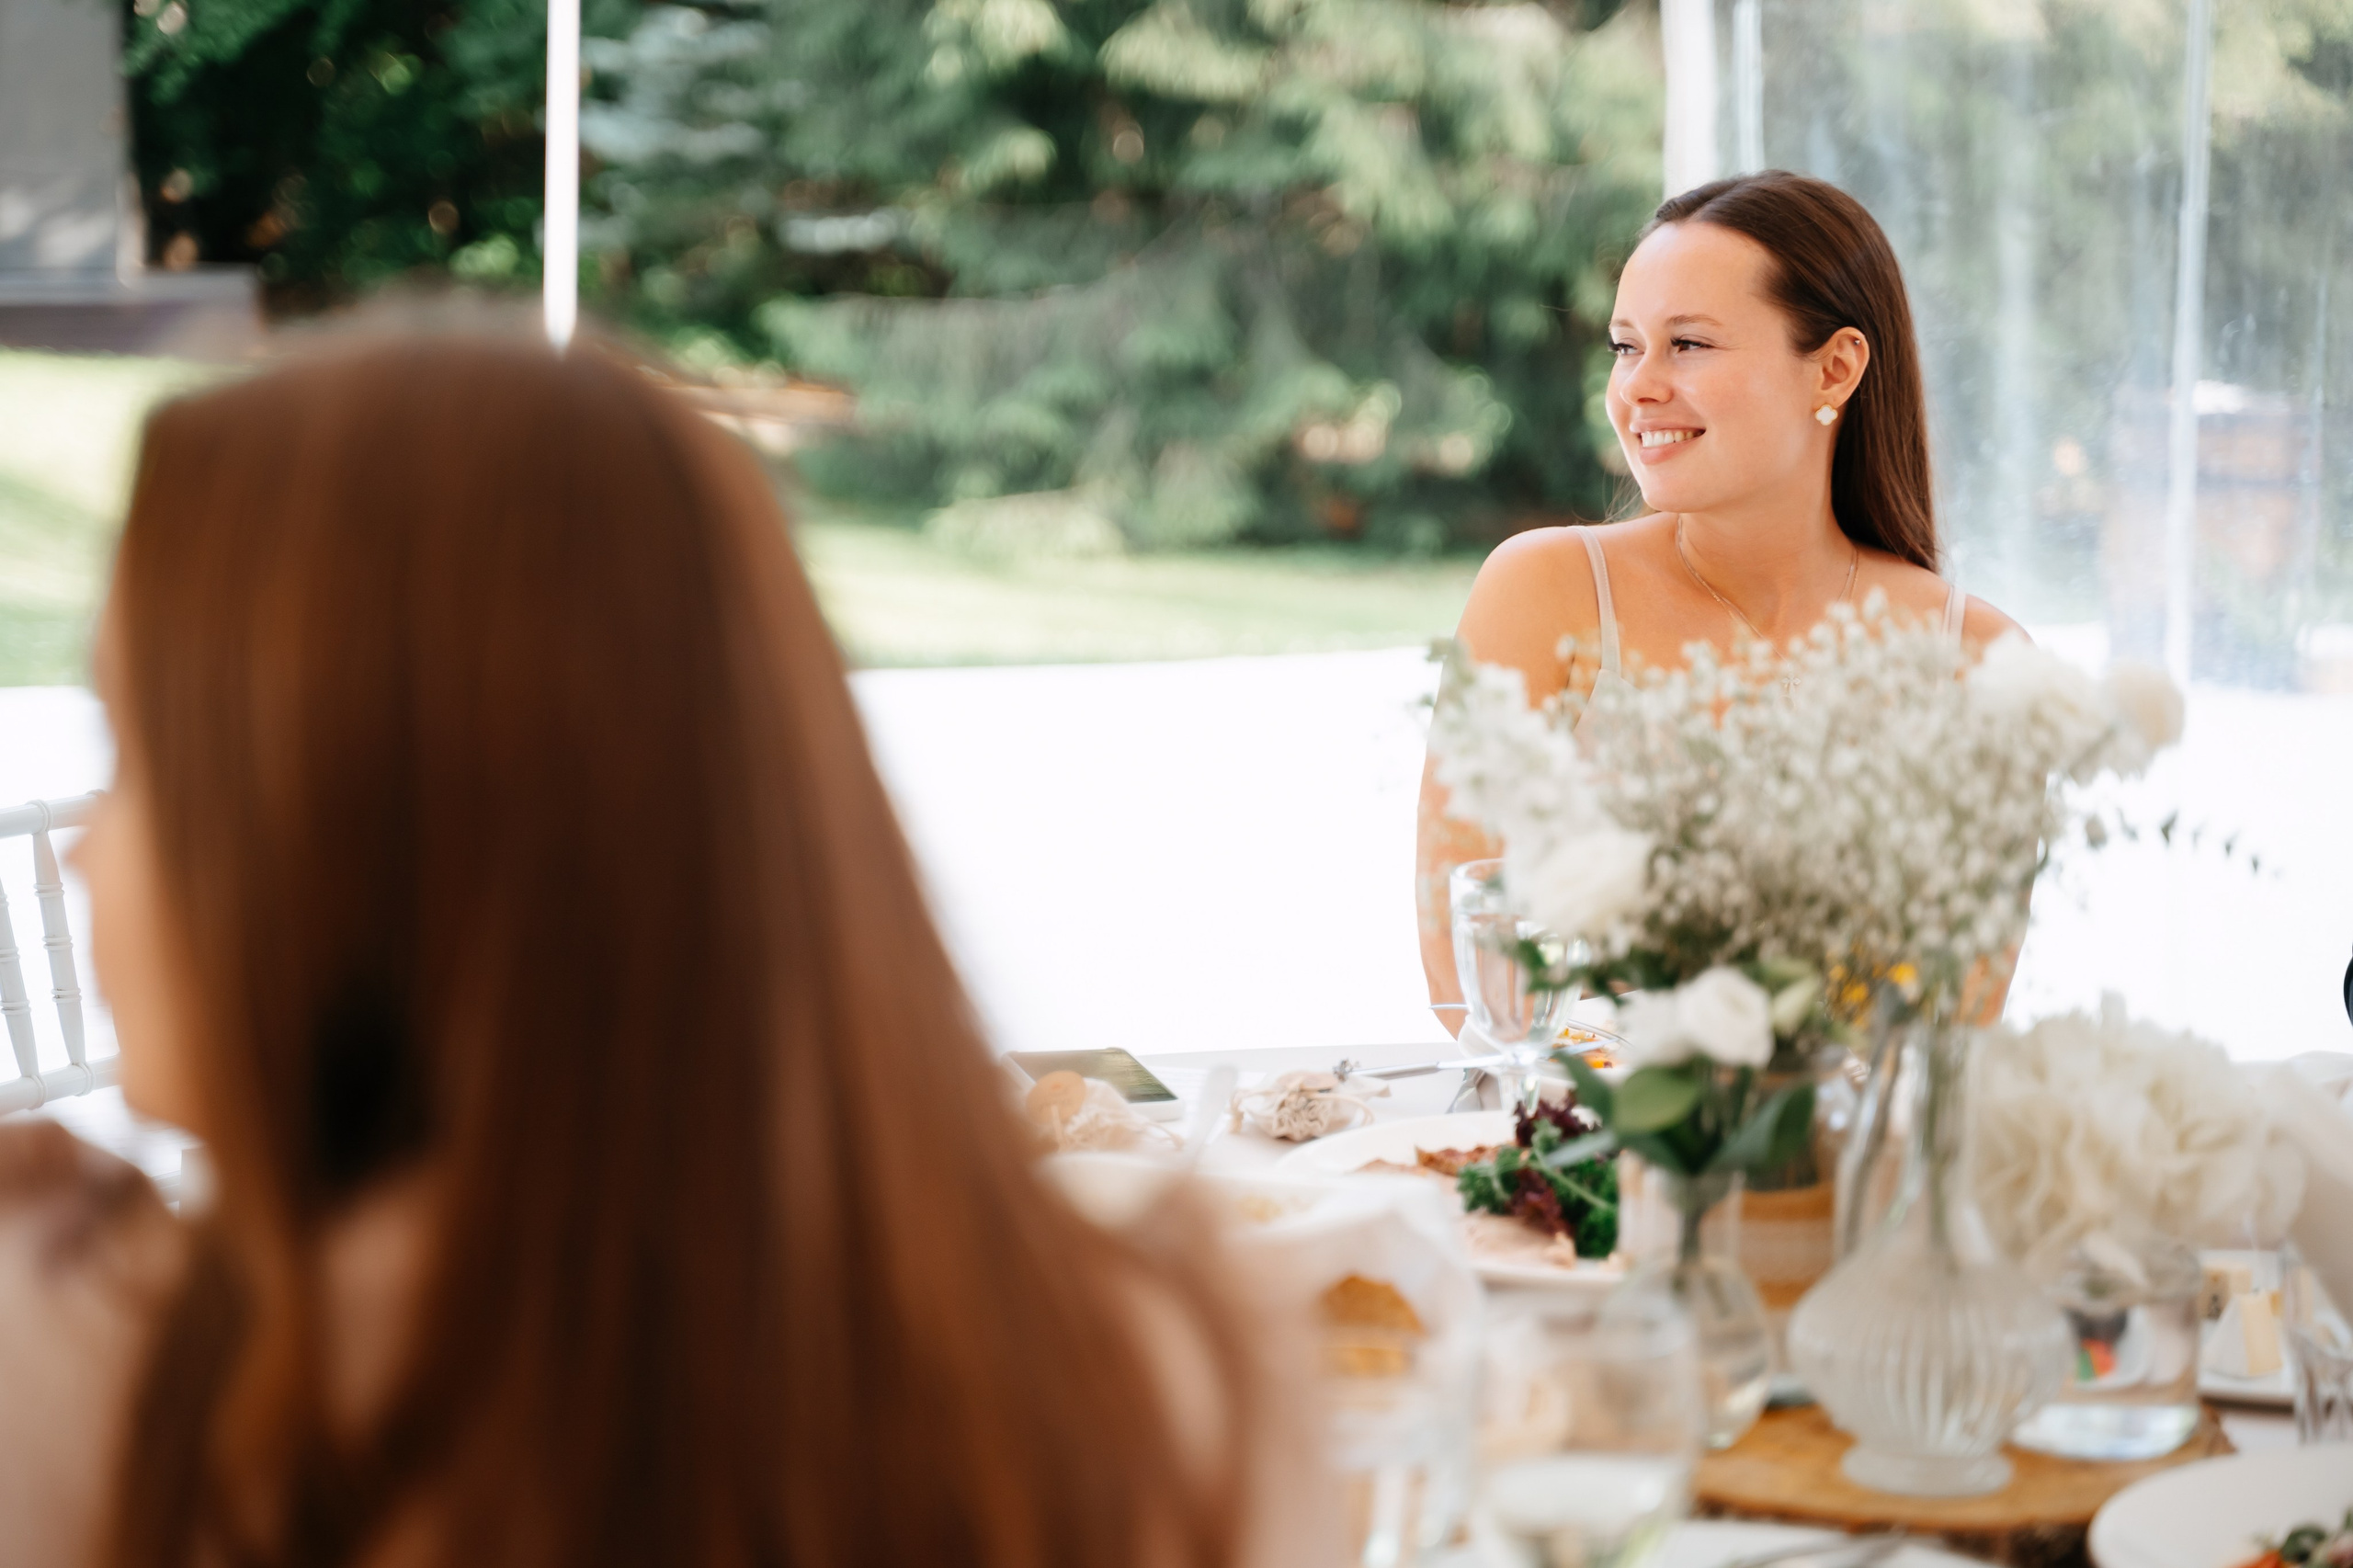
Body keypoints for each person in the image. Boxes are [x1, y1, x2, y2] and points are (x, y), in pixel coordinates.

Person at [3, 328, 1327, 1568]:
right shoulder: (1156, 1359)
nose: (77, 852)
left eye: (133, 757)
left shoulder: (109, 1391)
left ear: (375, 823)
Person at [1417, 171, 2024, 1017]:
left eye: (1689, 345)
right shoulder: (1547, 591)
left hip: (1844, 1145)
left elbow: (1957, 1011)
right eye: (1626, 346)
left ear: (1836, 370)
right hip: (1575, 1134)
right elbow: (1466, 965)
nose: (1637, 387)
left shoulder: (1977, 658)